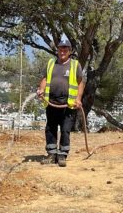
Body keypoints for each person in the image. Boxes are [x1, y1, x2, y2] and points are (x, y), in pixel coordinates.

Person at [37, 39, 84, 167]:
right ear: (57, 50)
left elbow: (80, 82)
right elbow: (45, 78)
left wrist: (78, 99)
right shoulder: (51, 63)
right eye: (60, 48)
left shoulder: (75, 65)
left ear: (69, 51)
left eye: (65, 49)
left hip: (68, 105)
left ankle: (62, 155)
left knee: (65, 130)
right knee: (50, 128)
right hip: (51, 103)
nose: (62, 51)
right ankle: (52, 154)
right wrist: (41, 89)